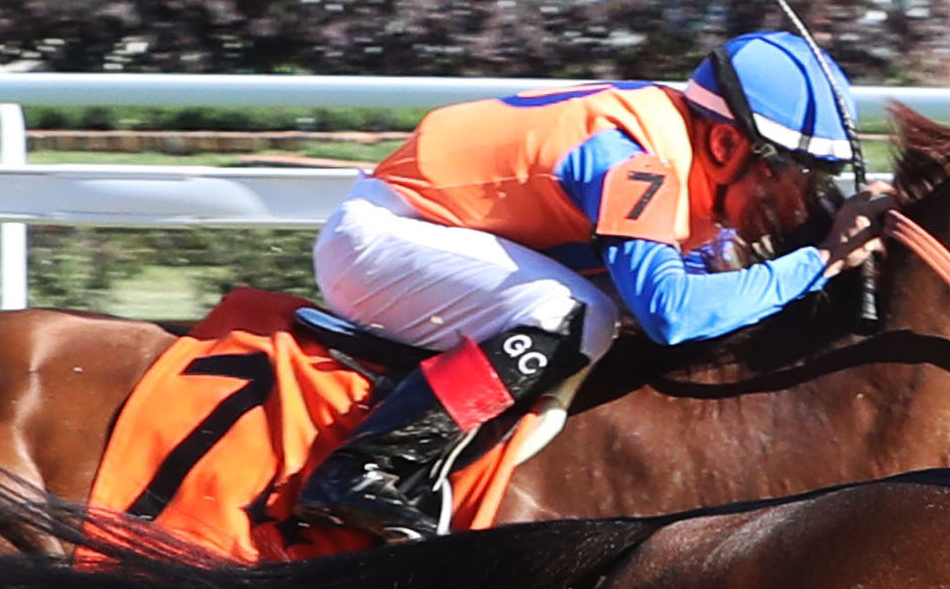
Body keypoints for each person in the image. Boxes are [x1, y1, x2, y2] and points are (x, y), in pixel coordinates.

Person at [301, 32, 890, 541]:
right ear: (725, 144)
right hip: (378, 243)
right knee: (581, 315)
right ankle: (363, 468)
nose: (799, 203)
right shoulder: (632, 164)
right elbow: (672, 313)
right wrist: (821, 260)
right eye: (793, 177)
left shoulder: (684, 153)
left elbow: (714, 289)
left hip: (430, 238)